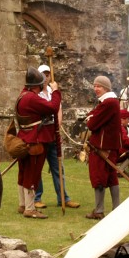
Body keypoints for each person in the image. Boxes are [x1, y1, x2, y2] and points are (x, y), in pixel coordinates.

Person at [15, 67, 61, 219]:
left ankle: (23, 204)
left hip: (26, 138)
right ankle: (29, 208)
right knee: (32, 174)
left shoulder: (23, 95)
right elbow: (53, 107)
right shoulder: (31, 98)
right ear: (37, 85)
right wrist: (55, 91)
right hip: (35, 141)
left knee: (23, 173)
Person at [33, 64, 80, 209]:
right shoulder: (35, 94)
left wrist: (57, 125)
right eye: (43, 74)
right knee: (37, 168)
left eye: (47, 74)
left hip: (53, 134)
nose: (46, 77)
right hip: (41, 135)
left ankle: (63, 198)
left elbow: (58, 109)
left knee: (58, 167)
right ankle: (36, 198)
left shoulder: (54, 92)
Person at [85, 76, 122, 219]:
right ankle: (116, 209)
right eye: (94, 86)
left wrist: (90, 117)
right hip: (107, 147)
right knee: (111, 177)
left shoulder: (108, 103)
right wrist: (91, 116)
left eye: (98, 86)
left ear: (106, 88)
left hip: (103, 148)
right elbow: (92, 116)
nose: (95, 89)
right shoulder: (108, 102)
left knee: (99, 177)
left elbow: (91, 124)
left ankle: (99, 211)